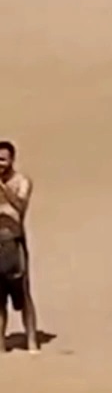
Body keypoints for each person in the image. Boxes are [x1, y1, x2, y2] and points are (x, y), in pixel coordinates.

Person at [0, 142, 38, 353]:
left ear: (12, 160)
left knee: (23, 293)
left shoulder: (21, 182)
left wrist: (3, 189)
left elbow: (21, 207)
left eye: (3, 159)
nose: (0, 164)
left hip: (15, 242)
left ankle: (32, 341)